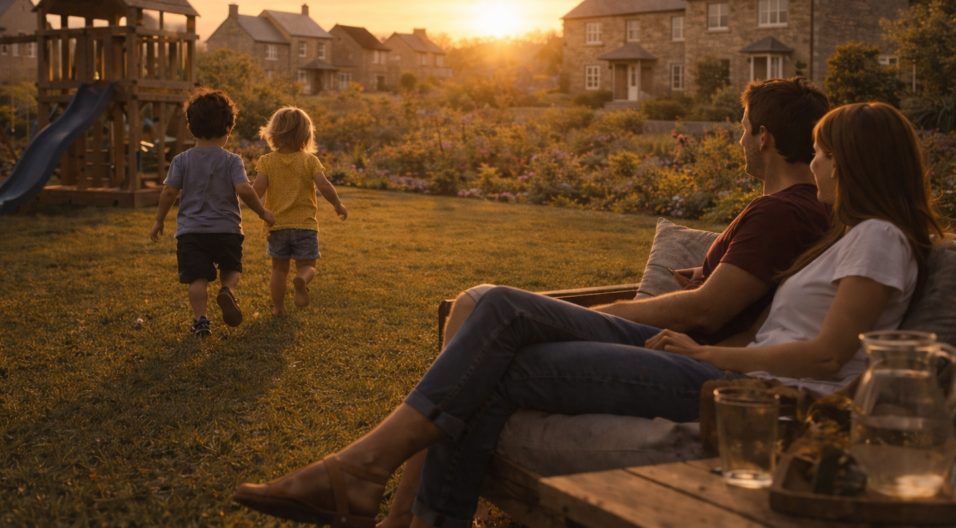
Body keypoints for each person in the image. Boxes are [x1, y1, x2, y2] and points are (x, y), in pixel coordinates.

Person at [232, 102, 946, 528]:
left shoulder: (881, 236)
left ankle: (360, 473)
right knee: (501, 358)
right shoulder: (851, 238)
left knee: (504, 317)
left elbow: (827, 356)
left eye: (822, 154)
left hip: (758, 398)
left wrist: (710, 357)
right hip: (730, 375)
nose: (814, 166)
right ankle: (376, 487)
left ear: (852, 162)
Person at [379, 76, 832, 527]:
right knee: (476, 306)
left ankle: (397, 503)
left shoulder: (781, 211)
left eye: (743, 126)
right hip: (685, 347)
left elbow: (705, 310)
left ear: (764, 137)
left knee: (487, 307)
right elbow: (750, 286)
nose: (739, 138)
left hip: (682, 351)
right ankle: (405, 512)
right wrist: (713, 270)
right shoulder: (801, 207)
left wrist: (610, 312)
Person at [149, 87, 276, 337]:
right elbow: (245, 190)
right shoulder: (232, 160)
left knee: (197, 278)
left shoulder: (181, 160)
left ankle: (201, 321)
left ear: (191, 127)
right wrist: (263, 212)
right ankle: (227, 290)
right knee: (231, 269)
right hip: (227, 230)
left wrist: (159, 220)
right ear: (228, 128)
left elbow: (168, 193)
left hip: (191, 232)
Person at [253, 106, 348, 315]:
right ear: (306, 135)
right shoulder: (310, 160)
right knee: (307, 265)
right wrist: (337, 204)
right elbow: (324, 186)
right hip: (305, 225)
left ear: (273, 133)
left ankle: (278, 309)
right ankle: (302, 279)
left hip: (276, 225)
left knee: (278, 270)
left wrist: (258, 210)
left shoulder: (266, 161)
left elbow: (256, 190)